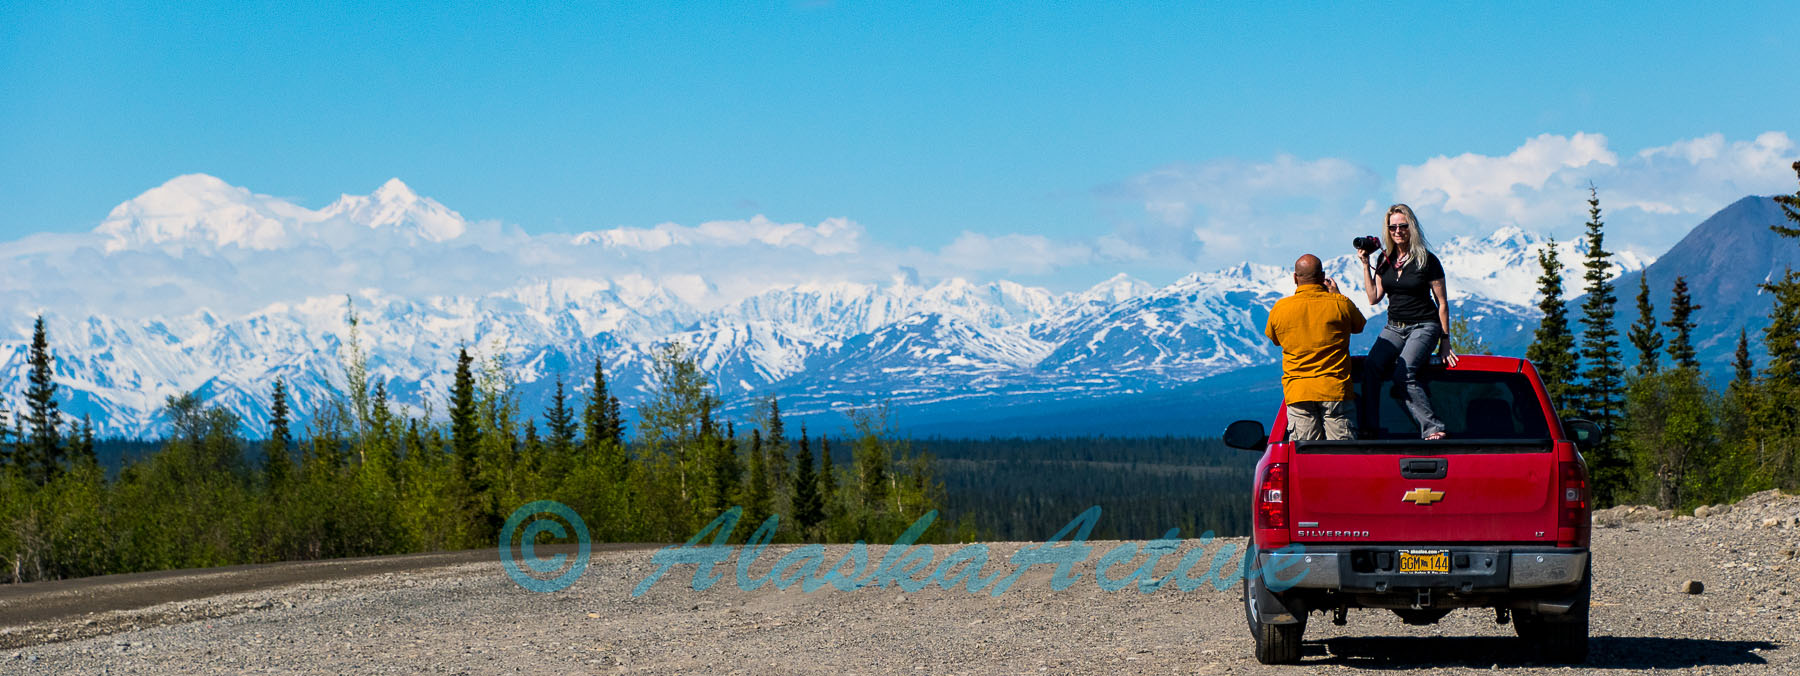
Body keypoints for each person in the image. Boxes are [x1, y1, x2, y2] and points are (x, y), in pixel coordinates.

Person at [1357, 203, 1459, 440]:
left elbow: (1442, 303)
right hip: (1394, 326)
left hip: (1424, 325)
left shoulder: (1427, 260)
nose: (1398, 231)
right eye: (1393, 227)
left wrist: (1445, 342)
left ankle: (1433, 428)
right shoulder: (1385, 261)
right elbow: (1373, 297)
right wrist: (1365, 264)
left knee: (1404, 373)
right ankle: (1370, 428)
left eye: (1403, 226)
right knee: (1371, 368)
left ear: (1411, 227)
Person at [1264, 254, 1367, 441]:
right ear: (1323, 277)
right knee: (1343, 456)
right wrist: (1336, 294)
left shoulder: (1280, 308)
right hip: (1335, 390)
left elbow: (1274, 339)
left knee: (1306, 457)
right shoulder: (1340, 304)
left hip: (1299, 391)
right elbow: (1359, 326)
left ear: (1295, 278)